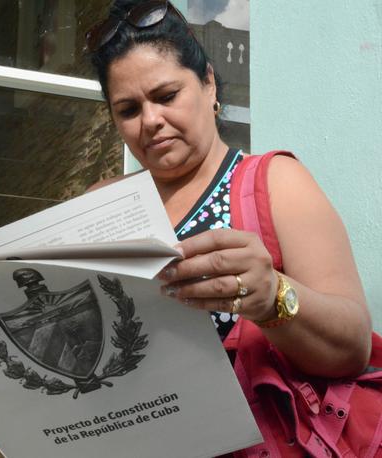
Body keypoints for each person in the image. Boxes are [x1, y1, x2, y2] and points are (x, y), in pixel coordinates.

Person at [86, 0, 371, 382]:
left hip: (261, 436)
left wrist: (273, 297)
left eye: (167, 96)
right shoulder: (102, 204)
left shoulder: (275, 182)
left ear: (208, 83)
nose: (151, 120)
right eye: (128, 109)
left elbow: (354, 348)